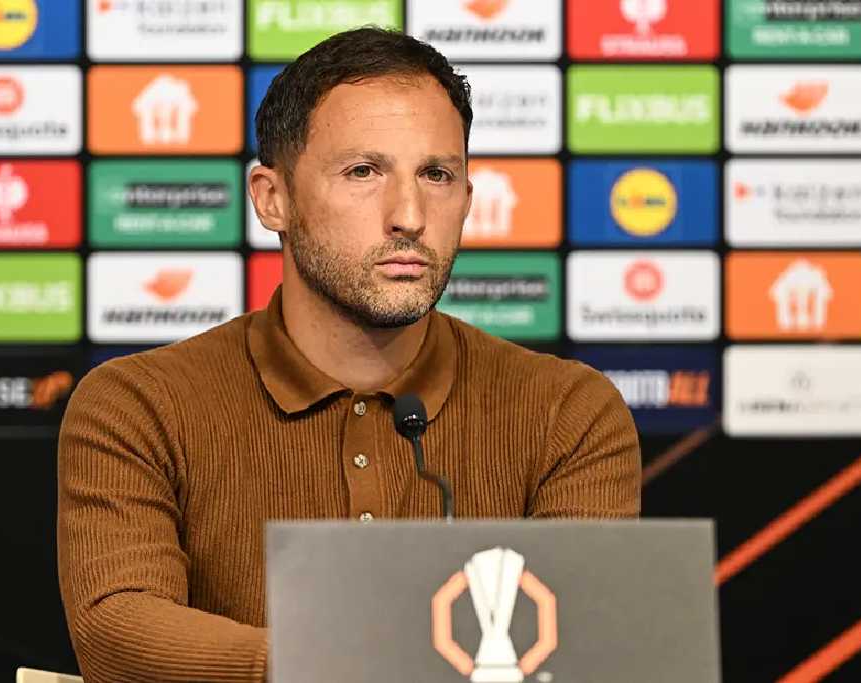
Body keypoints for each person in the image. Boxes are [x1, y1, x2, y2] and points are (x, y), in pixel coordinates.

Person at [57, 27, 640, 683]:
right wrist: (348, 663)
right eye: (364, 171)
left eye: (437, 175)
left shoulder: (570, 411)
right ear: (272, 199)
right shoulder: (138, 404)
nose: (409, 215)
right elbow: (118, 631)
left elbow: (587, 652)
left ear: (467, 200)